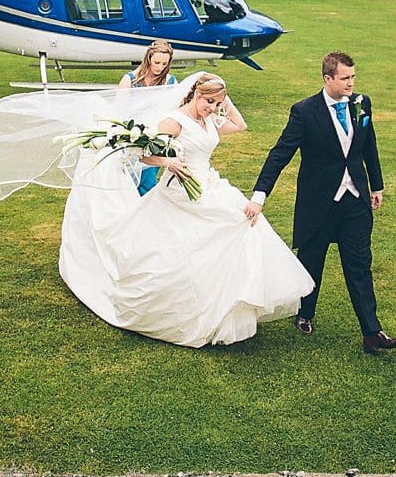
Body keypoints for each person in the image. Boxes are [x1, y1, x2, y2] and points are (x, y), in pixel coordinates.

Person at [56, 73, 314, 347]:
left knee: (242, 225)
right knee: (194, 241)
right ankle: (186, 307)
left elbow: (240, 125)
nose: (212, 108)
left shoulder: (211, 119)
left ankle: (222, 303)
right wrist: (168, 163)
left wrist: (223, 96)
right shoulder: (175, 121)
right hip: (180, 191)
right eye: (208, 101)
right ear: (194, 94)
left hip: (209, 185)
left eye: (216, 103)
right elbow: (138, 153)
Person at [245, 52, 396, 352]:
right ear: (327, 79)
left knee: (359, 265)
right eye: (345, 78)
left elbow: (368, 145)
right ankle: (305, 313)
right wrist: (259, 195)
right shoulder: (305, 112)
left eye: (353, 77)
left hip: (355, 201)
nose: (351, 83)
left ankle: (373, 332)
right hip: (319, 203)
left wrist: (377, 184)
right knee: (311, 262)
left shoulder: (362, 103)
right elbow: (280, 154)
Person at [117, 40, 178, 193]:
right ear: (148, 58)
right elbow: (119, 110)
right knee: (128, 182)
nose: (160, 67)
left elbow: (175, 110)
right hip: (131, 137)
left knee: (147, 182)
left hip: (156, 139)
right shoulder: (130, 79)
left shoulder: (170, 82)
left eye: (164, 64)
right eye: (157, 62)